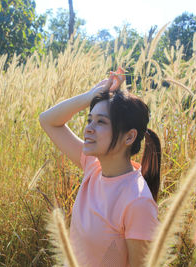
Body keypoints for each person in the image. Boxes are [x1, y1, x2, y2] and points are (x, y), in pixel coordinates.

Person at [39, 69, 161, 267]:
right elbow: (48, 120)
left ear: (129, 137)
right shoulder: (93, 168)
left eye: (101, 122)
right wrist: (90, 96)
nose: (88, 128)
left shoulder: (137, 202)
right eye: (89, 120)